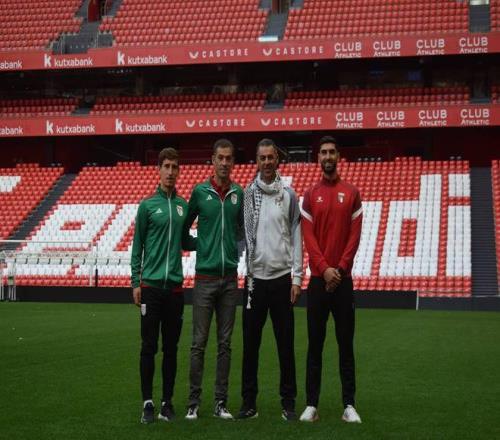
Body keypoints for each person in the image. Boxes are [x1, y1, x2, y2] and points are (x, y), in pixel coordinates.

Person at [299, 136, 363, 423]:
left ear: (338, 156)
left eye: (331, 152)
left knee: (345, 345)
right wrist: (325, 269)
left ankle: (349, 405)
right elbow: (309, 238)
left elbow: (354, 237)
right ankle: (311, 405)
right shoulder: (310, 195)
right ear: (318, 158)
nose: (327, 156)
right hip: (317, 281)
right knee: (315, 345)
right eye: (323, 152)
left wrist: (340, 268)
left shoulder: (352, 193)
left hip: (343, 281)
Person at [237, 139, 303, 421]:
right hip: (254, 280)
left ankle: (288, 402)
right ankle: (248, 403)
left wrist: (297, 277)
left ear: (277, 159)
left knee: (285, 345)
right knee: (250, 345)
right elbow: (240, 233)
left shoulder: (288, 195)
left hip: (281, 279)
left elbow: (297, 235)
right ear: (256, 161)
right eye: (262, 158)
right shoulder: (247, 194)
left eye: (270, 157)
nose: (266, 162)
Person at [131, 147, 196, 424]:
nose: (170, 172)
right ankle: (147, 402)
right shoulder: (147, 206)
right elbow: (137, 246)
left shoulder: (183, 206)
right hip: (151, 287)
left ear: (179, 171)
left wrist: (209, 240)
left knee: (171, 348)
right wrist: (135, 282)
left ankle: (167, 403)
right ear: (159, 170)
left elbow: (186, 241)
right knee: (149, 346)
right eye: (166, 166)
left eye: (174, 167)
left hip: (175, 290)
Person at [184, 138, 244, 420]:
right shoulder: (199, 192)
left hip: (230, 279)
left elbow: (241, 230)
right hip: (204, 279)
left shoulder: (238, 194)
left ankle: (221, 403)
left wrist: (230, 249)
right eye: (220, 158)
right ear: (213, 160)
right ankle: (193, 403)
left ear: (233, 162)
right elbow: (183, 230)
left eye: (229, 158)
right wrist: (203, 245)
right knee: (198, 343)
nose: (224, 162)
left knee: (225, 345)